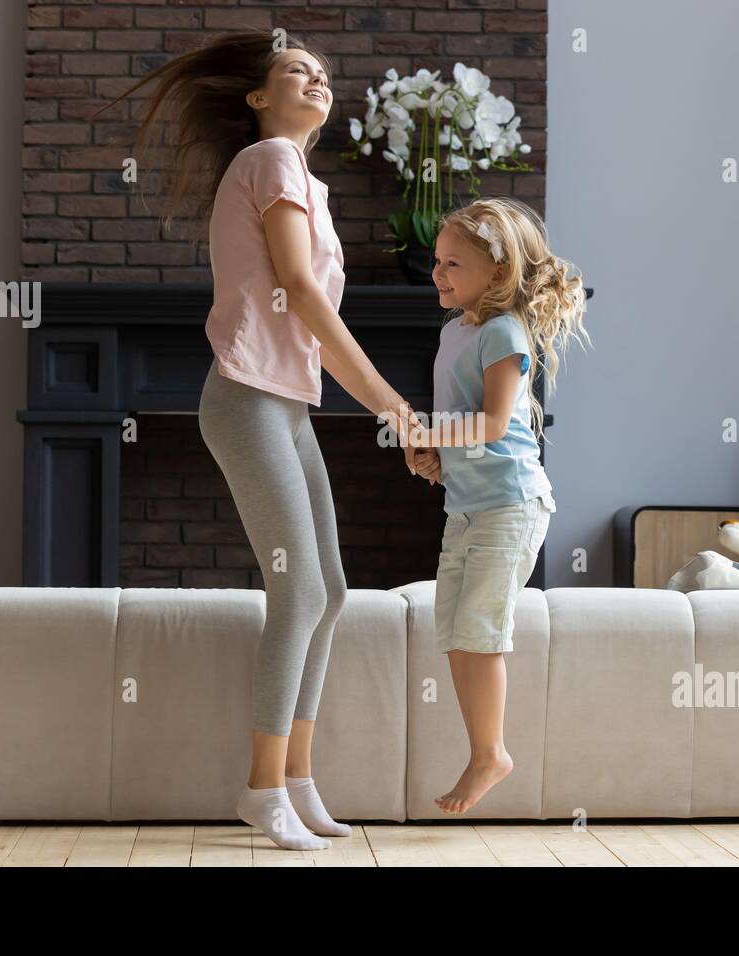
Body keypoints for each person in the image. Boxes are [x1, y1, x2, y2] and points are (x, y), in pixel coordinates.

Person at [105, 31, 419, 851]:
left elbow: (310, 317)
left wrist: (383, 407)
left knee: (333, 591)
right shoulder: (271, 158)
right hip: (246, 399)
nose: (315, 76)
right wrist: (392, 405)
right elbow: (304, 295)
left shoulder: (304, 178)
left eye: (321, 70)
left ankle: (298, 780)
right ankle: (260, 788)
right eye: (293, 70)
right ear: (257, 99)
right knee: (303, 591)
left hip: (285, 405)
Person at [406, 197, 591, 814]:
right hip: (466, 507)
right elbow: (461, 429)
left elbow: (490, 424)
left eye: (453, 263)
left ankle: (491, 754)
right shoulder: (453, 331)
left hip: (510, 505)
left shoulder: (503, 332)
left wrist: (430, 432)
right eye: (437, 261)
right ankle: (484, 750)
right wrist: (432, 458)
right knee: (456, 636)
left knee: (480, 634)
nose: (438, 274)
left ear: (497, 270)